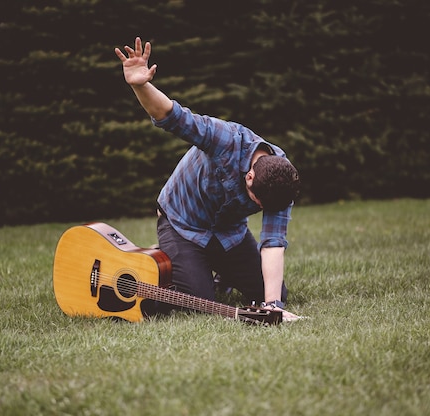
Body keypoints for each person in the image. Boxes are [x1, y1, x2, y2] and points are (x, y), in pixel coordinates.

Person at [114, 37, 302, 321]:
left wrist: (273, 306)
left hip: (229, 233)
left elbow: (273, 242)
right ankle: (166, 261)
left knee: (273, 293)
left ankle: (215, 271)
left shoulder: (280, 181)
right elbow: (172, 116)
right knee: (200, 304)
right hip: (181, 224)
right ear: (249, 176)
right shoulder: (226, 139)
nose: (262, 209)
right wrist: (140, 84)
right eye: (257, 202)